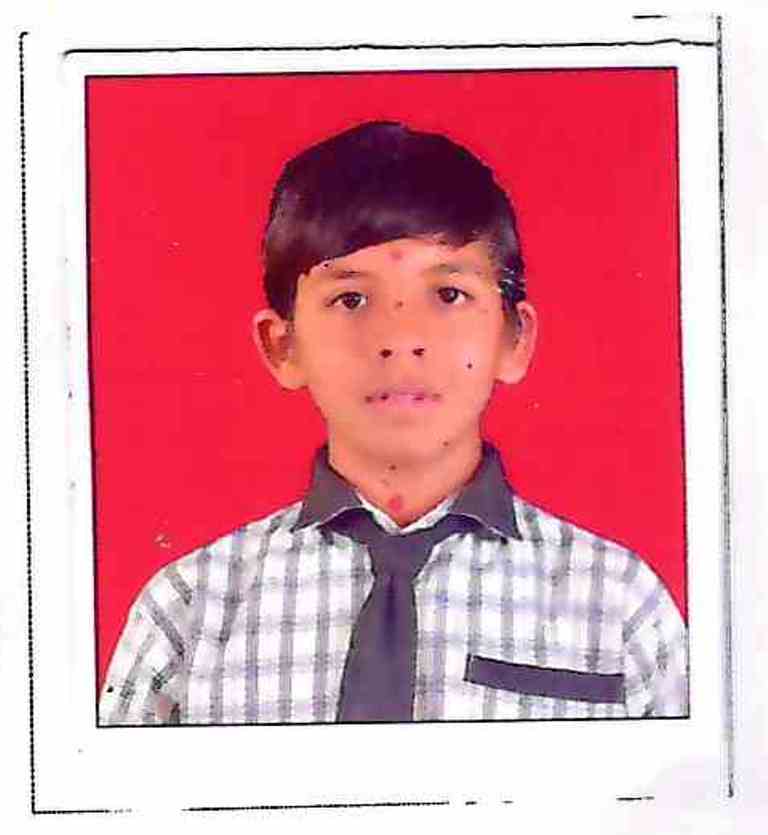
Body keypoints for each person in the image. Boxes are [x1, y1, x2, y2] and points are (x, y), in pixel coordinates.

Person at [99, 121, 688, 725]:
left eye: (449, 294)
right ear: (283, 345)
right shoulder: (189, 612)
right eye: (351, 299)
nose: (401, 339)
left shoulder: (620, 605)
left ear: (514, 337)